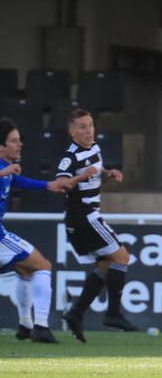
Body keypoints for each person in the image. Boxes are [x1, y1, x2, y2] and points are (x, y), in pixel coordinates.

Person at [0, 118, 95, 343]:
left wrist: (65, 181)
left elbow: (38, 184)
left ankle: (26, 325)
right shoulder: (5, 170)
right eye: (14, 141)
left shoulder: (9, 171)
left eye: (20, 140)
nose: (19, 144)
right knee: (43, 266)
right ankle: (40, 327)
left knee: (27, 270)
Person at [59, 108, 136, 342]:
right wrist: (80, 177)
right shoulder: (69, 157)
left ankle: (76, 313)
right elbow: (61, 183)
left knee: (105, 264)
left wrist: (108, 172)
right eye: (82, 127)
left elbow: (95, 168)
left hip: (85, 217)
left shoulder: (94, 147)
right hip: (84, 215)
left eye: (90, 125)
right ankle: (113, 314)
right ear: (72, 132)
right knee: (122, 257)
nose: (88, 130)